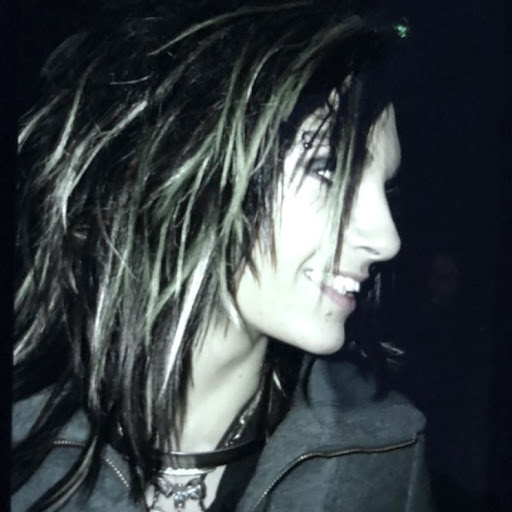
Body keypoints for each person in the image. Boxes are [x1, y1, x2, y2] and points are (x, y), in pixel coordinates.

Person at [12, 1, 431, 510]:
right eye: (327, 168)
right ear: (183, 165)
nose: (387, 238)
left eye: (385, 189)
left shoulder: (384, 451)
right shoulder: (22, 448)